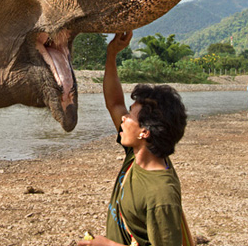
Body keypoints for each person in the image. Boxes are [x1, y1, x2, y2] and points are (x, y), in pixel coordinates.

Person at [78, 31, 188, 246]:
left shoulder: (161, 195)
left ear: (144, 132)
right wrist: (111, 54)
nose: (123, 118)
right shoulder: (138, 153)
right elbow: (114, 103)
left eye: (130, 116)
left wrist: (107, 245)